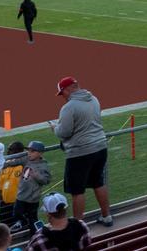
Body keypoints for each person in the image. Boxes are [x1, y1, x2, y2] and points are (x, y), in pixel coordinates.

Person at [49, 77, 112, 225]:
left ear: (68, 88)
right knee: (98, 182)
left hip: (80, 152)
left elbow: (64, 132)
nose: (62, 96)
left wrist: (55, 128)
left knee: (77, 190)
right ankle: (107, 216)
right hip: (100, 147)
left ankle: (79, 225)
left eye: (62, 92)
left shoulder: (69, 107)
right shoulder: (94, 99)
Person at [26, 193, 90, 251]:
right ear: (65, 209)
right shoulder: (82, 225)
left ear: (48, 214)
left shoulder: (40, 238)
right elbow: (87, 243)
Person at [14, 141, 50, 231]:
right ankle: (25, 223)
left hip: (33, 198)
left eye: (32, 151)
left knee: (33, 218)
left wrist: (36, 176)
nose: (29, 153)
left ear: (40, 153)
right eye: (29, 151)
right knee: (17, 213)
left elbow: (46, 180)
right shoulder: (26, 159)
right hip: (21, 195)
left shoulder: (43, 165)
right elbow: (13, 162)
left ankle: (38, 234)